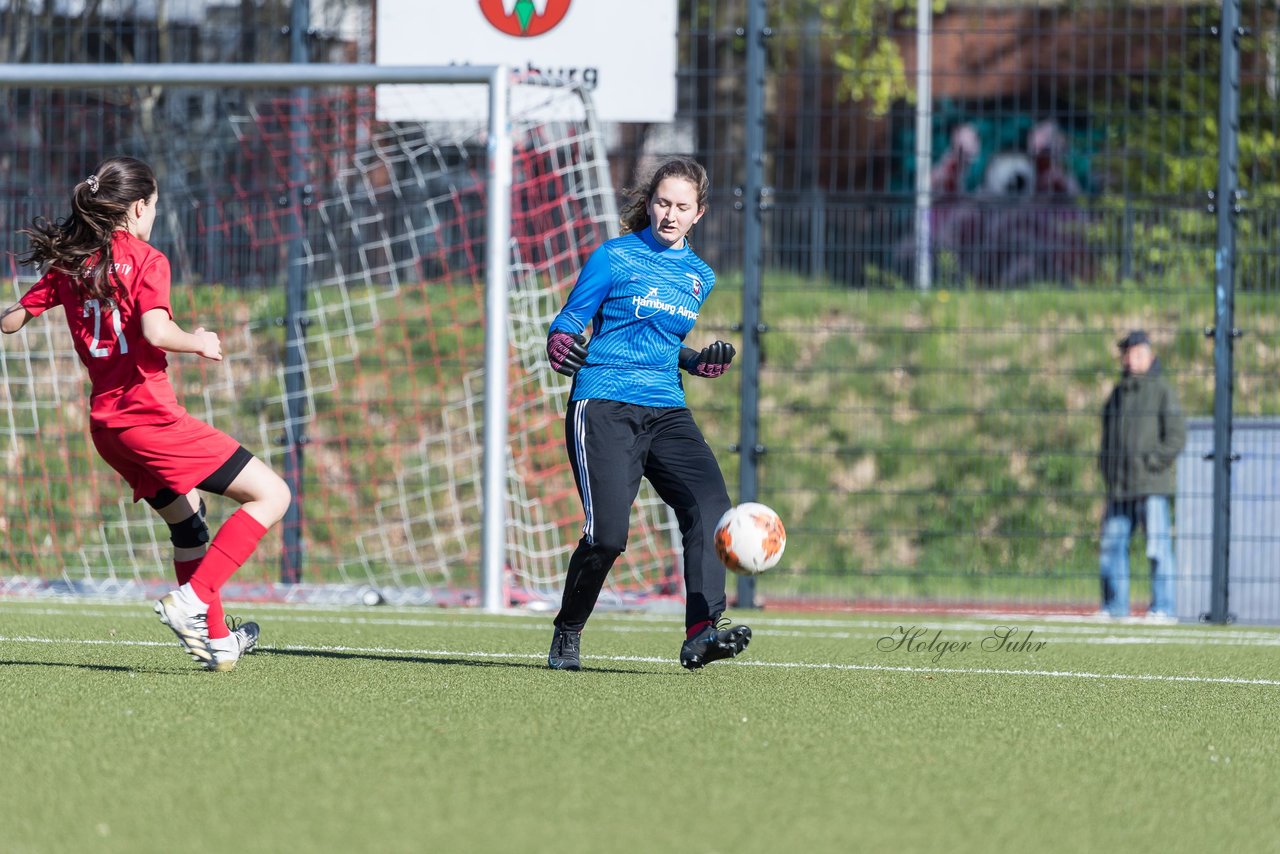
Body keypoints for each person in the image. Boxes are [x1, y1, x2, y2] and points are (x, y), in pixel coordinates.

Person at [1, 156, 292, 670]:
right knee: (273, 494)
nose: (153, 215)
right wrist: (199, 342)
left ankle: (218, 640)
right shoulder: (147, 260)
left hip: (108, 430)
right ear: (138, 207)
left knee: (190, 525)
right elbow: (157, 332)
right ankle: (192, 599)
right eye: (154, 206)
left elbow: (12, 321)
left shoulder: (71, 263)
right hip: (149, 419)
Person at [544, 156, 750, 671]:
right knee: (608, 537)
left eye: (682, 206)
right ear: (649, 202)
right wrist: (559, 343)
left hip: (666, 407)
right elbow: (570, 322)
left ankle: (703, 632)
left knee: (710, 508)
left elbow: (662, 342)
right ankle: (568, 630)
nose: (670, 214)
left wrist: (697, 360)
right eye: (662, 202)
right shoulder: (613, 257)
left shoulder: (701, 276)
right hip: (605, 402)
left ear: (699, 213)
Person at [1097, 329, 1186, 622]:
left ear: (1148, 354)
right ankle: (1114, 608)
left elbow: (1176, 437)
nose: (1130, 358)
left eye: (1136, 352)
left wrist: (1151, 462)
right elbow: (1108, 437)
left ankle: (1163, 608)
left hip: (1151, 484)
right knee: (1112, 545)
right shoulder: (1118, 393)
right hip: (1120, 486)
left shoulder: (1161, 390)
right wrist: (1106, 469)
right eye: (1127, 353)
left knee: (1158, 548)